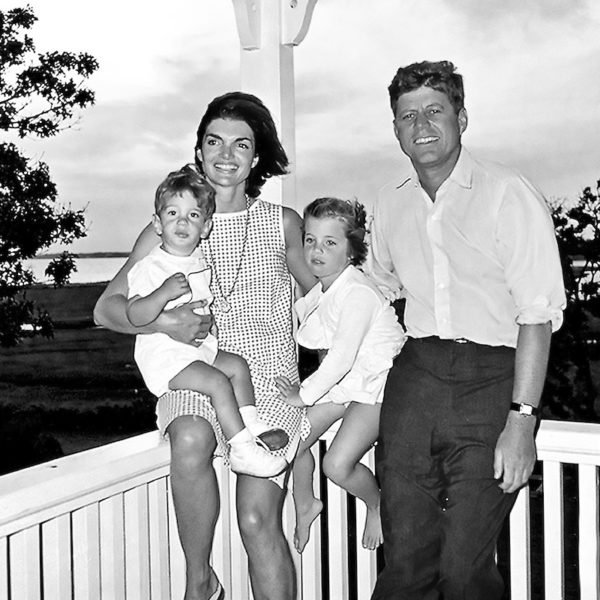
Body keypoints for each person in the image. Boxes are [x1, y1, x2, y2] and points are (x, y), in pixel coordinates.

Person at [94, 92, 316, 600]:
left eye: (242, 144)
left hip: (266, 383)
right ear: (199, 151)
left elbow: (326, 303)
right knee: (191, 438)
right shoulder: (173, 222)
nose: (226, 154)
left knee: (257, 519)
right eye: (214, 141)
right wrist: (165, 323)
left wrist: (342, 380)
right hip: (195, 367)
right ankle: (200, 578)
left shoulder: (282, 222)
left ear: (256, 158)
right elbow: (106, 309)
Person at [367, 60, 566, 599]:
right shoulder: (390, 200)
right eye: (408, 115)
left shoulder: (507, 191)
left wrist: (522, 421)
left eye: (434, 110)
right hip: (415, 380)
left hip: (492, 380)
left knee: (463, 571)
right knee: (405, 564)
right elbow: (376, 287)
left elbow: (537, 313)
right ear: (395, 128)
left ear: (461, 118)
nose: (421, 125)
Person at [126, 164, 288, 478]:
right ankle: (242, 451)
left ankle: (251, 425)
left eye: (193, 215)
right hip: (166, 359)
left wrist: (209, 318)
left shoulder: (196, 260)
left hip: (196, 351)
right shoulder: (151, 266)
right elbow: (135, 314)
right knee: (217, 382)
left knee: (236, 366)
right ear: (157, 223)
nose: (182, 222)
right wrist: (162, 294)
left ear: (205, 227)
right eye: (172, 213)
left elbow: (199, 303)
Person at [275, 197, 405, 555]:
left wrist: (303, 395)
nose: (316, 250)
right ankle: (306, 503)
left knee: (335, 464)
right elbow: (314, 335)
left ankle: (376, 503)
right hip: (347, 386)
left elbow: (341, 359)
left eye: (330, 242)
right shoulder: (326, 289)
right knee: (292, 443)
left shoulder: (358, 292)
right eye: (310, 240)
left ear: (352, 250)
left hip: (376, 387)